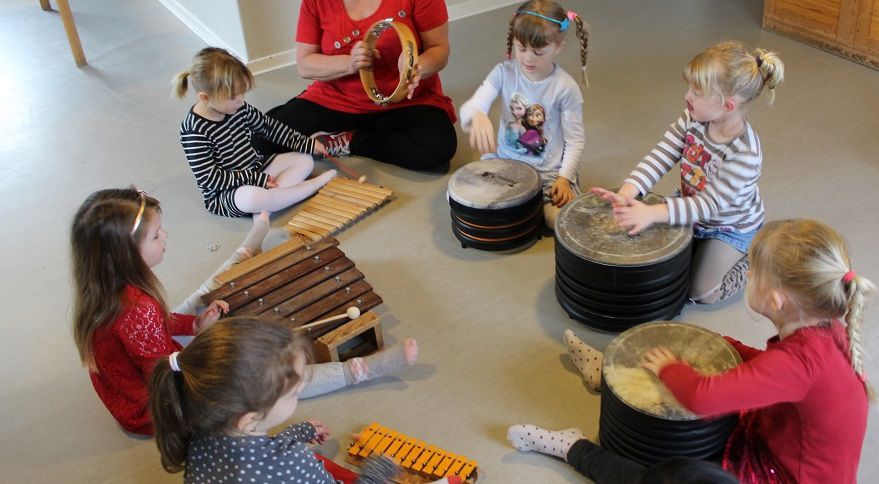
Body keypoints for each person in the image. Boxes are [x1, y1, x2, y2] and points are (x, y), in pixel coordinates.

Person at [525, 219, 873, 483]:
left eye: (752, 271)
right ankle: (608, 371)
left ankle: (574, 448)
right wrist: (724, 346)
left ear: (776, 300)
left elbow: (702, 398)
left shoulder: (800, 361)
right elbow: (773, 372)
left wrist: (670, 368)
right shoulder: (826, 328)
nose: (747, 273)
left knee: (671, 476)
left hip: (780, 474)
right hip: (779, 444)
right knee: (705, 393)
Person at [71, 188, 418, 435]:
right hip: (156, 405)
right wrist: (214, 346)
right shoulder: (137, 309)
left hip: (147, 369)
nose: (166, 236)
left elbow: (158, 322)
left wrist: (195, 325)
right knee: (264, 373)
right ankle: (358, 371)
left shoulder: (109, 285)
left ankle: (247, 250)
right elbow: (167, 376)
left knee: (201, 300)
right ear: (126, 253)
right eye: (156, 236)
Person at [149, 318, 460, 484]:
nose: (299, 394)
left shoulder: (200, 430)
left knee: (315, 461)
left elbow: (259, 452)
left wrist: (298, 432)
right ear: (248, 418)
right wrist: (378, 471)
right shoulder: (292, 462)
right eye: (294, 392)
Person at [591, 40, 784, 303]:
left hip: (729, 226)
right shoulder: (693, 117)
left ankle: (753, 259)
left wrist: (652, 213)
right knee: (656, 261)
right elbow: (661, 155)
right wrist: (629, 192)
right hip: (691, 211)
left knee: (701, 292)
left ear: (727, 105)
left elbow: (709, 206)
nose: (687, 96)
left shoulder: (744, 152)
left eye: (696, 91)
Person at [256, 0, 458, 172]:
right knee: (260, 141)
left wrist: (416, 66)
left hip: (404, 100)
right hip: (337, 99)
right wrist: (350, 63)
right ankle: (367, 132)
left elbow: (439, 49)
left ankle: (352, 140)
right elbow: (305, 65)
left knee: (437, 150)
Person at [459, 0, 590, 228]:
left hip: (549, 173)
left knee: (556, 221)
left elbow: (575, 140)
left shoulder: (565, 88)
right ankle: (524, 208)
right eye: (521, 49)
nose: (528, 58)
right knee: (459, 200)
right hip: (506, 165)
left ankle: (534, 206)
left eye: (538, 52)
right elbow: (471, 107)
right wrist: (477, 114)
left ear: (558, 47)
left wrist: (564, 178)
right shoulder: (503, 72)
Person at [174, 47, 336, 218]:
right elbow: (211, 178)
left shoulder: (238, 107)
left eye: (242, 94)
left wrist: (306, 144)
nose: (241, 101)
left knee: (304, 160)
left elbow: (269, 128)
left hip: (256, 169)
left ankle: (269, 203)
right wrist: (257, 180)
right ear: (205, 98)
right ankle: (312, 187)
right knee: (253, 198)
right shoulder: (194, 131)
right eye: (233, 97)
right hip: (227, 193)